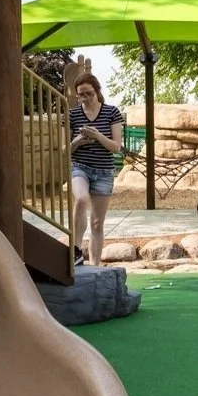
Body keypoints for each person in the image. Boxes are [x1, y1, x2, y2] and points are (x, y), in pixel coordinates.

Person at [65, 76, 127, 267]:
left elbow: (116, 147)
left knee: (97, 224)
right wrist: (78, 141)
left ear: (97, 91)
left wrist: (97, 135)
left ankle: (95, 265)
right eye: (81, 95)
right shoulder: (71, 115)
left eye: (89, 94)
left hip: (104, 171)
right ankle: (75, 249)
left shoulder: (112, 112)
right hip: (80, 166)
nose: (86, 98)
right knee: (81, 199)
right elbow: (65, 150)